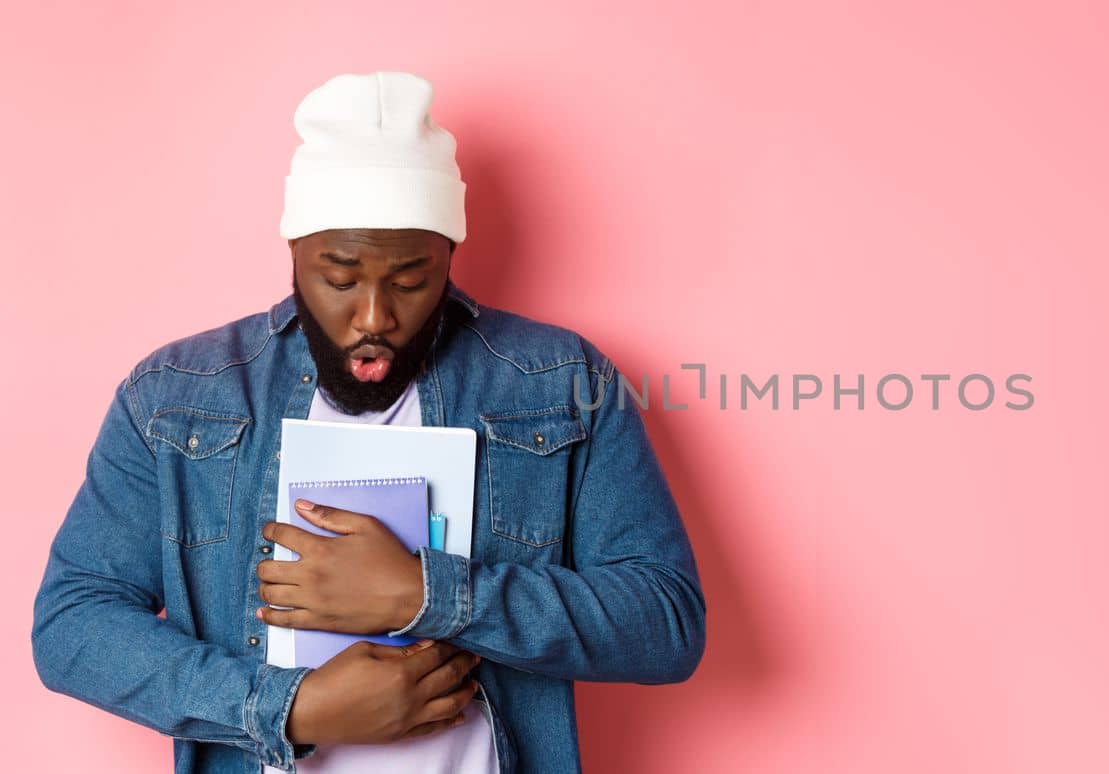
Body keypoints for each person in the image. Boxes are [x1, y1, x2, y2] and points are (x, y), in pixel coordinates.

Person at [32, 71, 706, 774]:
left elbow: (665, 621)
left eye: (411, 280)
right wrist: (291, 709)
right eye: (341, 276)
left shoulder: (562, 381)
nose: (375, 317)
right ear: (294, 253)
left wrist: (427, 593)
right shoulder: (177, 396)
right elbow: (72, 625)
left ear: (451, 257)